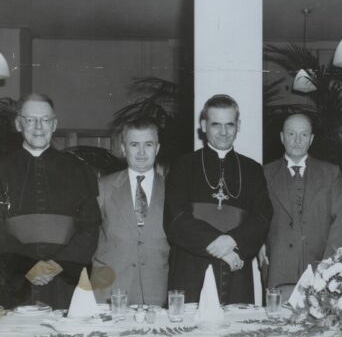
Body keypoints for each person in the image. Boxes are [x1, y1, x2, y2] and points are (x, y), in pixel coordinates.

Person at [164, 94, 273, 304]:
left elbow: (262, 216)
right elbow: (176, 219)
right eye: (216, 125)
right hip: (192, 268)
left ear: (238, 125)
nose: (223, 132)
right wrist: (222, 247)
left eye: (229, 124)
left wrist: (233, 241)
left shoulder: (252, 170)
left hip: (237, 272)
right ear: (204, 125)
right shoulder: (183, 166)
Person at [0, 94, 101, 309]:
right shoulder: (3, 169)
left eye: (45, 120)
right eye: (30, 120)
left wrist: (55, 265)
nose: (38, 126)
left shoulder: (78, 169)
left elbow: (90, 227)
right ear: (18, 124)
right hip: (14, 281)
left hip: (65, 281)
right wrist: (27, 266)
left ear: (54, 124)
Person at [263, 114, 342, 288]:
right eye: (291, 134)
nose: (297, 140)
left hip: (320, 267)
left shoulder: (330, 173)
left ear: (311, 139)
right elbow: (257, 216)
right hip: (278, 267)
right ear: (282, 137)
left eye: (303, 135)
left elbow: (340, 221)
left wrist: (329, 263)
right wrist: (259, 246)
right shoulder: (265, 174)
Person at [92, 118, 169, 306]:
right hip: (109, 290)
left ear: (157, 148)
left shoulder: (173, 190)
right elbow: (86, 237)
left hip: (157, 291)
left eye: (148, 144)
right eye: (134, 145)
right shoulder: (102, 188)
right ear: (124, 149)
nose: (142, 152)